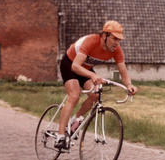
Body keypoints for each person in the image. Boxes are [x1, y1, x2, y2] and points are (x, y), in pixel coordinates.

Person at [55, 21, 138, 149]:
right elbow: (75, 66)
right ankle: (60, 137)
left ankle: (75, 120)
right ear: (105, 36)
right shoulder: (91, 41)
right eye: (114, 38)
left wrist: (129, 85)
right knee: (74, 96)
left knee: (95, 95)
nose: (117, 43)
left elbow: (124, 73)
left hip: (85, 69)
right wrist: (93, 75)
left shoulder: (116, 50)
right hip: (71, 64)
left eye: (119, 39)